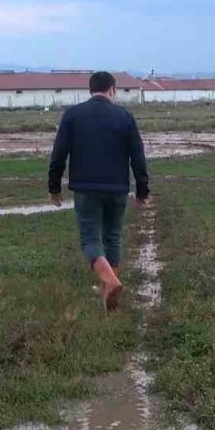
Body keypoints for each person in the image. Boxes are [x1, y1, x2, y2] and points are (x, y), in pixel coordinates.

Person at [48, 71, 149, 310]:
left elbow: (59, 155)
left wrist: (54, 187)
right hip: (117, 189)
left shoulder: (73, 115)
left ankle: (110, 283)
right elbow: (138, 157)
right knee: (113, 237)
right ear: (112, 90)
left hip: (85, 189)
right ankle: (107, 296)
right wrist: (142, 190)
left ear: (91, 90)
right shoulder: (124, 116)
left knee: (91, 238)